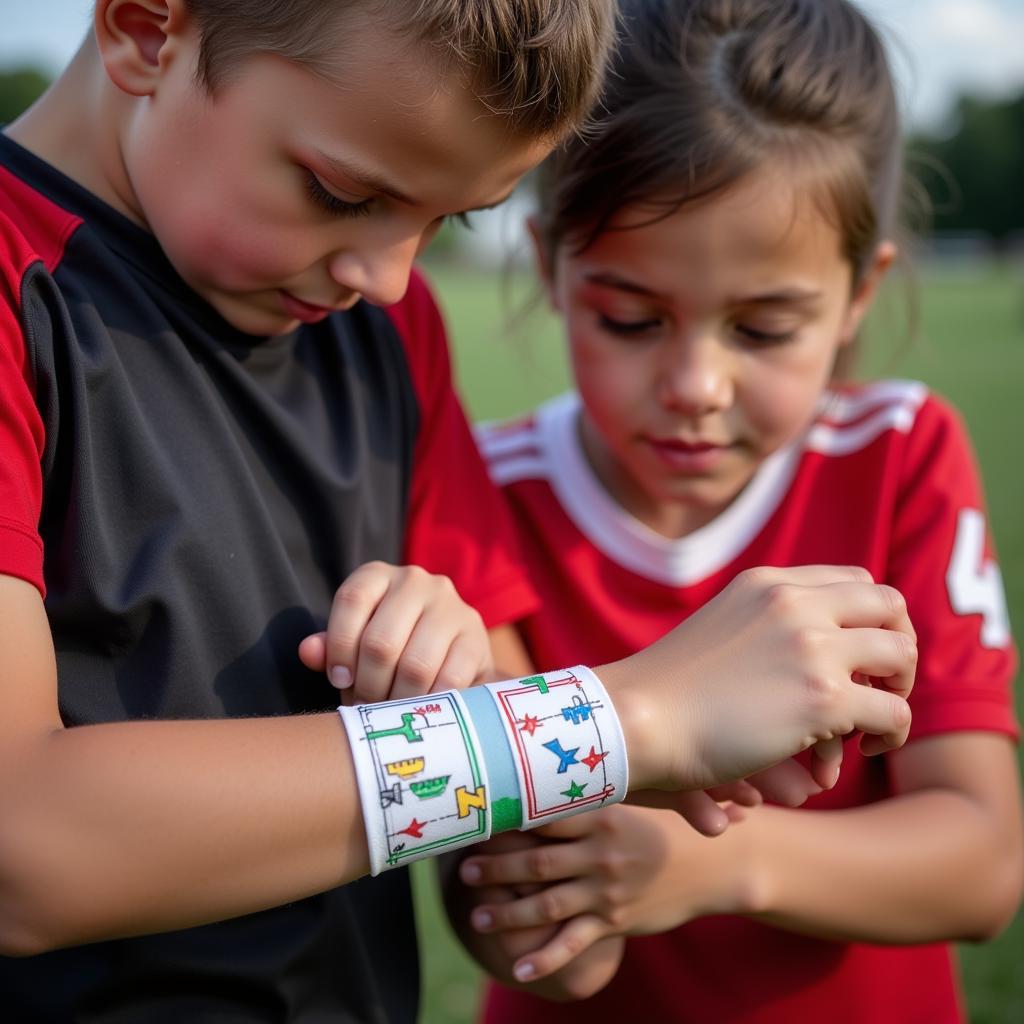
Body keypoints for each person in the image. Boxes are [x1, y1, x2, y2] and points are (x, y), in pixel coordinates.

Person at [0, 1, 919, 1020]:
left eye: (447, 221)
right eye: (339, 190)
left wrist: (474, 712)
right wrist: (621, 720)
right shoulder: (17, 292)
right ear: (144, 29)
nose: (390, 276)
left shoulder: (394, 337)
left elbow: (546, 942)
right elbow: (22, 851)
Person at [451, 1, 1024, 1021]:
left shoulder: (899, 457)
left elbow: (980, 862)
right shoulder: (482, 493)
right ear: (546, 265)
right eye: (630, 318)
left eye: (763, 328)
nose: (695, 385)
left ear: (857, 293)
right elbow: (512, 924)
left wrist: (709, 860)